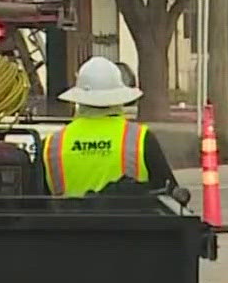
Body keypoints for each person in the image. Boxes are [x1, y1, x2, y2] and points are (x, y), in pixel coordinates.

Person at [43, 56, 175, 196]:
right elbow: (171, 195)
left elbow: (36, 204)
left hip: (67, 218)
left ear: (79, 98)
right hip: (128, 218)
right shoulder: (140, 139)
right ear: (119, 97)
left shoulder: (52, 144)